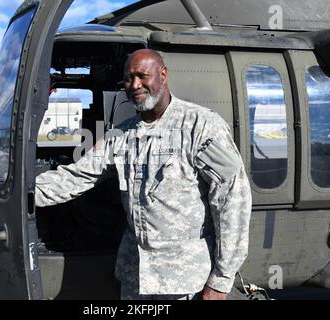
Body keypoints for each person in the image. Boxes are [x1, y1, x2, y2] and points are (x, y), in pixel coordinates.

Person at [36, 49, 252, 300]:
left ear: (163, 75)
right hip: (136, 276)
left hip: (184, 279)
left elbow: (232, 201)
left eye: (142, 76)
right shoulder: (121, 136)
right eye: (128, 79)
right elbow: (76, 177)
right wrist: (25, 193)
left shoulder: (201, 126)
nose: (135, 85)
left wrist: (220, 281)